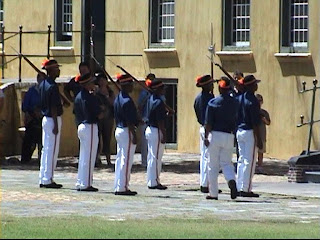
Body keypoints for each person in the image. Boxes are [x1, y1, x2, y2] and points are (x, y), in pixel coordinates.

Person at [204, 77, 239, 200]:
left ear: (219, 88)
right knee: (227, 163)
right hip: (229, 135)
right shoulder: (234, 102)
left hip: (215, 134)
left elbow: (208, 123)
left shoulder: (213, 102)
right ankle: (231, 180)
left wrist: (206, 136)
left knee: (212, 165)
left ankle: (213, 193)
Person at [74, 73, 102, 191]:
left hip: (81, 125)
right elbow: (98, 113)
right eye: (91, 83)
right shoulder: (90, 97)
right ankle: (86, 183)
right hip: (89, 125)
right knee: (89, 156)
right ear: (86, 84)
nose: (93, 85)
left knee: (84, 155)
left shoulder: (79, 96)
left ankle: (81, 181)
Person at [236, 75, 262, 197]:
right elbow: (255, 122)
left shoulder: (239, 98)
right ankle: (246, 188)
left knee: (241, 160)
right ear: (251, 86)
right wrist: (259, 139)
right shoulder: (253, 101)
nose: (257, 86)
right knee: (249, 161)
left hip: (239, 131)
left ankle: (239, 185)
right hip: (250, 132)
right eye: (255, 84)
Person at [39, 59, 63, 189]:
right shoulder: (52, 86)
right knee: (52, 150)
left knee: (46, 149)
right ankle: (48, 179)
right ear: (51, 70)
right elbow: (53, 106)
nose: (59, 71)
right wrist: (55, 124)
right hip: (52, 118)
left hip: (45, 118)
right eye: (57, 68)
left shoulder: (43, 84)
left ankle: (43, 177)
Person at [113, 74, 139, 196]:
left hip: (119, 129)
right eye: (131, 84)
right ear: (126, 85)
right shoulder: (127, 101)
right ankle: (123, 187)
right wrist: (134, 134)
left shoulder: (118, 98)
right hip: (126, 130)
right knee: (126, 159)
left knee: (120, 159)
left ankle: (118, 184)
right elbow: (129, 120)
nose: (132, 86)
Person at [193, 75, 214, 193]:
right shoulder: (209, 98)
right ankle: (206, 184)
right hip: (208, 129)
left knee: (204, 156)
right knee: (208, 157)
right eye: (210, 83)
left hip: (202, 127)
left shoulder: (198, 98)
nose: (212, 86)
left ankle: (204, 182)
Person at [145, 79, 168, 190]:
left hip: (150, 129)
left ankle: (151, 179)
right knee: (156, 157)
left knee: (152, 156)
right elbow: (160, 121)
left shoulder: (151, 99)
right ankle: (154, 181)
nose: (164, 90)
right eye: (162, 88)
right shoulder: (158, 102)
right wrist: (163, 133)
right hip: (156, 130)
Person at [21, 72, 46, 164]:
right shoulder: (31, 91)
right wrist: (32, 113)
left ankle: (42, 160)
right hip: (32, 118)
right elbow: (25, 106)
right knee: (29, 140)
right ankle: (25, 159)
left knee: (42, 141)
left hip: (43, 118)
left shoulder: (47, 91)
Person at [95, 71, 115, 167]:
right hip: (99, 118)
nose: (102, 82)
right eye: (100, 80)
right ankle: (97, 158)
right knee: (97, 139)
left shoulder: (110, 92)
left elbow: (113, 102)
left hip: (109, 117)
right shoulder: (95, 92)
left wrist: (107, 97)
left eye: (104, 80)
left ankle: (108, 159)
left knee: (107, 138)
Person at [137, 73, 155, 168]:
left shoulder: (156, 93)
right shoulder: (144, 93)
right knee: (144, 143)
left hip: (153, 121)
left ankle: (151, 161)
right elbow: (139, 106)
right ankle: (144, 161)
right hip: (145, 119)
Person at [255, 93, 271, 174]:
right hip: (253, 134)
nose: (259, 102)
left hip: (262, 134)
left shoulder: (264, 112)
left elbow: (268, 122)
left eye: (260, 101)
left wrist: (264, 119)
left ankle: (260, 166)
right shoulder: (252, 111)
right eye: (258, 101)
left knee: (261, 152)